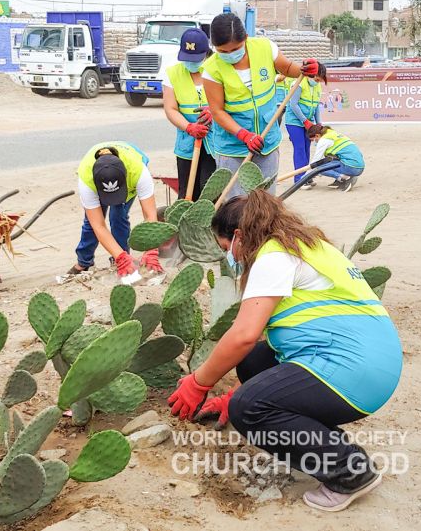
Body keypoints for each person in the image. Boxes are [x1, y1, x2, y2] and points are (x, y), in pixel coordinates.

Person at [167, 191, 402, 512]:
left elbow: (243, 335)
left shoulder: (273, 256)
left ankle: (350, 472)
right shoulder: (306, 245)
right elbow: (256, 344)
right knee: (252, 363)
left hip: (357, 373)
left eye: (226, 249)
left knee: (249, 409)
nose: (230, 257)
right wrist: (229, 394)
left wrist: (199, 383)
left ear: (239, 236)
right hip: (369, 360)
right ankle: (328, 446)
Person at [202, 12, 319, 197]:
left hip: (267, 142)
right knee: (237, 206)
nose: (230, 55)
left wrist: (304, 69)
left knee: (266, 205)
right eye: (223, 51)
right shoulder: (211, 70)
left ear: (246, 38)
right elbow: (217, 112)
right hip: (233, 148)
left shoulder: (265, 48)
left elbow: (288, 68)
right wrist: (244, 135)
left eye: (236, 49)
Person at [67, 142, 164, 278]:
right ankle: (85, 261)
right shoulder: (86, 180)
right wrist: (121, 257)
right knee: (90, 223)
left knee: (118, 216)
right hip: (96, 185)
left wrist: (151, 249)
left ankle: (120, 260)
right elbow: (99, 226)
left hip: (129, 181)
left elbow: (150, 215)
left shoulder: (138, 171)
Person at [163, 28, 216, 201]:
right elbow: (170, 108)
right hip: (188, 142)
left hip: (215, 142)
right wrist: (189, 127)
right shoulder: (172, 74)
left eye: (195, 59)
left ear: (206, 53)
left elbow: (231, 100)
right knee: (187, 193)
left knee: (211, 191)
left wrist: (214, 112)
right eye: (187, 59)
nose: (191, 63)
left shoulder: (217, 68)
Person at [279, 63, 327, 186]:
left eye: (320, 80)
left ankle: (306, 176)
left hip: (309, 122)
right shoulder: (299, 83)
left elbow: (316, 106)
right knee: (300, 148)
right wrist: (304, 121)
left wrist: (319, 123)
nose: (317, 82)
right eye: (316, 79)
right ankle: (299, 179)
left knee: (306, 148)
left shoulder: (317, 87)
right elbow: (293, 105)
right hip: (294, 122)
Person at [305, 123, 365, 192]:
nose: (314, 142)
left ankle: (345, 178)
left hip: (352, 167)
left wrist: (305, 177)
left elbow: (315, 161)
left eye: (314, 140)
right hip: (359, 166)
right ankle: (340, 181)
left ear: (317, 135)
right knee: (330, 159)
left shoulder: (323, 140)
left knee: (318, 168)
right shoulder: (333, 133)